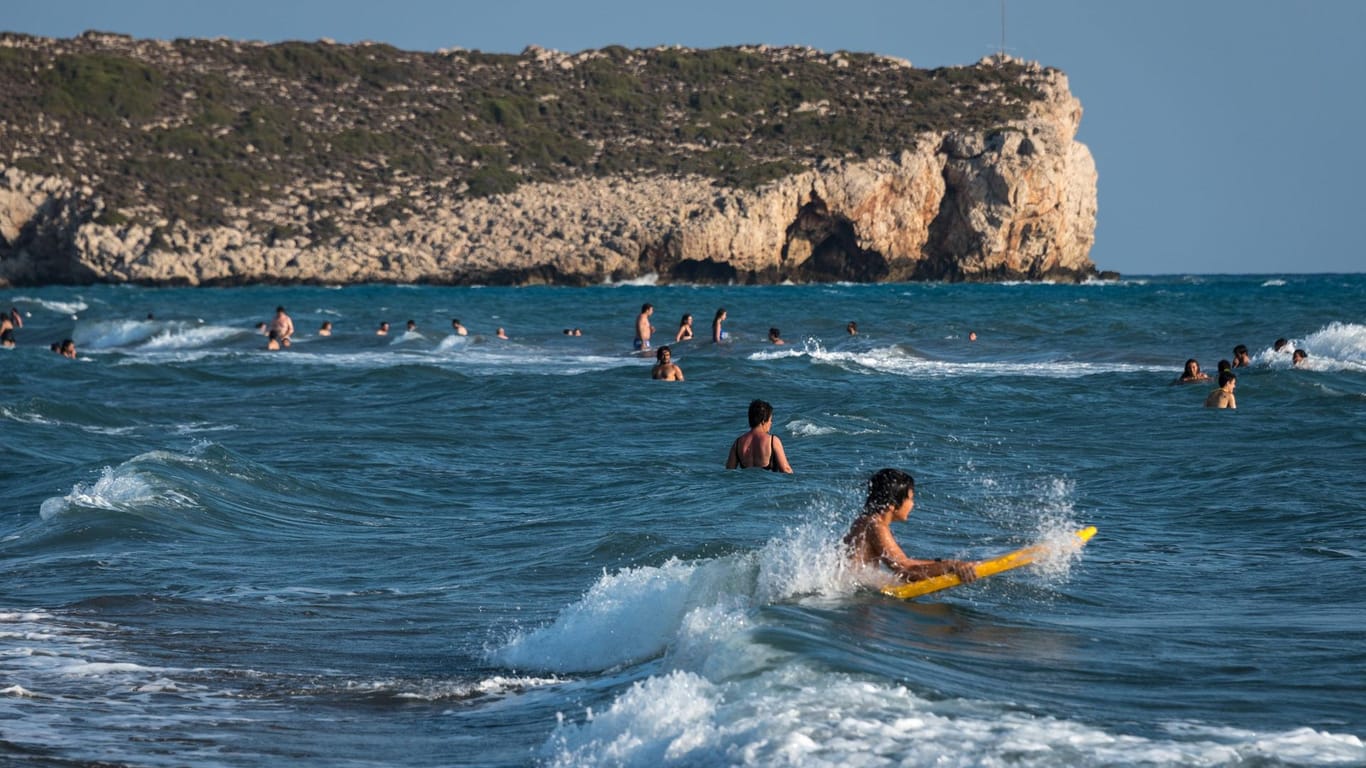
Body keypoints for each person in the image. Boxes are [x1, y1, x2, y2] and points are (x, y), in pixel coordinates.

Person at [843, 468, 979, 584]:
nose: (912, 504)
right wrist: (951, 567)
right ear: (892, 505)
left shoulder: (866, 520)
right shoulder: (876, 525)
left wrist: (941, 563)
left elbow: (905, 563)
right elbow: (905, 571)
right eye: (910, 498)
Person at [725, 399, 793, 473]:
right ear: (763, 421)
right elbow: (785, 469)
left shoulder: (738, 443)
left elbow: (729, 471)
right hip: (767, 483)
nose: (771, 423)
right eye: (770, 420)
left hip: (746, 484)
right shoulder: (772, 441)